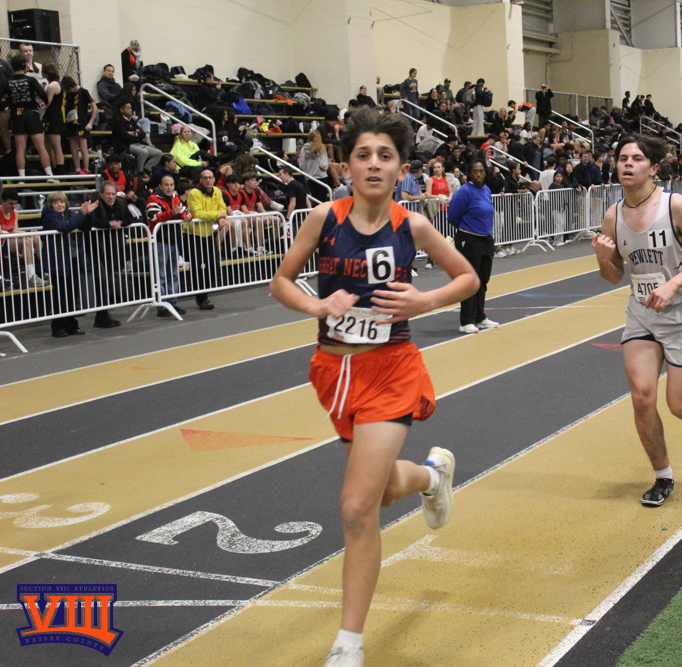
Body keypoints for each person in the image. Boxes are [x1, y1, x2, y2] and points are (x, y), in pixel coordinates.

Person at [268, 107, 477, 667]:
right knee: (382, 491)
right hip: (334, 374)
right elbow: (281, 282)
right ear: (346, 166)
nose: (374, 164)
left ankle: (348, 644)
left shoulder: (413, 226)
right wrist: (316, 305)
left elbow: (468, 277)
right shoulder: (324, 219)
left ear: (402, 169)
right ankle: (431, 477)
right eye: (363, 155)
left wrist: (424, 300)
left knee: (357, 507)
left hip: (391, 370)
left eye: (386, 156)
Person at [590, 133, 682, 507]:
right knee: (642, 396)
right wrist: (602, 258)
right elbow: (614, 275)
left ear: (653, 168)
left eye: (636, 159)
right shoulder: (613, 216)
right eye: (622, 158)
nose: (627, 164)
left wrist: (674, 283)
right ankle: (662, 476)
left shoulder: (675, 206)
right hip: (642, 315)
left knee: (681, 408)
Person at [447, 159, 499, 334]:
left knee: (482, 280)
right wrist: (467, 231)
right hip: (469, 240)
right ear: (469, 174)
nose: (478, 174)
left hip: (486, 239)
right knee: (470, 281)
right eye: (475, 171)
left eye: (481, 171)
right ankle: (466, 321)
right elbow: (452, 216)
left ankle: (479, 317)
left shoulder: (486, 190)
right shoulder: (465, 191)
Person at [41, 191, 99, 336]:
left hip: (73, 258)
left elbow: (85, 227)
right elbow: (65, 227)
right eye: (56, 202)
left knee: (72, 292)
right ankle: (58, 326)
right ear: (50, 204)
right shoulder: (49, 216)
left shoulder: (71, 214)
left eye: (62, 202)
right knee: (60, 294)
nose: (59, 205)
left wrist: (88, 214)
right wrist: (82, 213)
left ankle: (72, 324)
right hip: (57, 260)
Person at [89, 180, 136, 329]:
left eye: (113, 194)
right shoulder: (95, 204)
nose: (111, 197)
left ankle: (104, 315)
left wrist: (120, 223)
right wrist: (108, 224)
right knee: (102, 282)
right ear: (101, 194)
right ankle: (101, 316)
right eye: (108, 194)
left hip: (115, 248)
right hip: (98, 249)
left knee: (109, 281)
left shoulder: (121, 203)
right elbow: (91, 221)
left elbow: (130, 218)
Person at [1, 55, 54, 178]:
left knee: (20, 148)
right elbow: (42, 93)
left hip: (17, 115)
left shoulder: (7, 82)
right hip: (31, 113)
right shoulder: (30, 80)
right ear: (25, 66)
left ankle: (22, 177)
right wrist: (44, 102)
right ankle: (49, 175)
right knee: (41, 147)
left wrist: (6, 105)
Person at [146, 173, 192, 317]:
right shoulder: (153, 199)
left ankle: (172, 303)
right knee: (160, 275)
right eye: (166, 185)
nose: (169, 187)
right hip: (160, 241)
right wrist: (171, 213)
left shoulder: (174, 197)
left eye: (171, 185)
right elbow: (153, 217)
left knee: (173, 274)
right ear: (160, 186)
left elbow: (183, 211)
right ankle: (162, 306)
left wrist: (188, 217)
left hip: (173, 241)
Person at [186, 169, 226, 310]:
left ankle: (206, 291)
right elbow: (198, 213)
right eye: (205, 178)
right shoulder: (194, 193)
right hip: (194, 234)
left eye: (210, 177)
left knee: (213, 265)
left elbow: (222, 207)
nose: (208, 180)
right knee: (197, 268)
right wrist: (218, 215)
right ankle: (202, 298)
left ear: (214, 179)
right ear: (200, 180)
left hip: (209, 233)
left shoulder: (217, 191)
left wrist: (221, 216)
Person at [0, 191, 47, 287]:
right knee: (26, 240)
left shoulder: (15, 212)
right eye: (11, 204)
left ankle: (44, 271)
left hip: (9, 239)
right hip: (0, 241)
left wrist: (28, 234)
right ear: (3, 202)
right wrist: (25, 235)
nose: (13, 206)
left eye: (15, 204)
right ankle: (31, 277)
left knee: (34, 238)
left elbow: (15, 231)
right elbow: (0, 233)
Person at [112, 100, 163, 174]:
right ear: (121, 110)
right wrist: (136, 134)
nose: (130, 110)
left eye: (131, 108)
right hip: (126, 146)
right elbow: (125, 137)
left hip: (138, 144)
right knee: (144, 152)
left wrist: (133, 133)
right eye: (128, 108)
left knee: (158, 153)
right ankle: (140, 172)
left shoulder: (132, 121)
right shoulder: (118, 122)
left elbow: (142, 134)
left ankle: (147, 170)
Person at [62, 76, 98, 174]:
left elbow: (94, 107)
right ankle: (77, 169)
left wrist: (90, 122)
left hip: (82, 123)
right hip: (71, 123)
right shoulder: (68, 94)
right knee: (73, 147)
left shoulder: (83, 92)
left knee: (83, 147)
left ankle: (86, 168)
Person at [42, 63, 67, 175]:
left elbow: (47, 103)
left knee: (56, 145)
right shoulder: (55, 84)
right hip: (51, 115)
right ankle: (53, 168)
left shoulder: (52, 85)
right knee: (48, 144)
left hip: (54, 116)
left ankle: (60, 170)